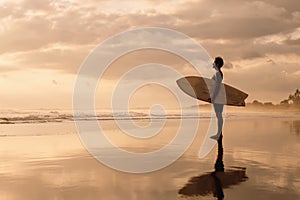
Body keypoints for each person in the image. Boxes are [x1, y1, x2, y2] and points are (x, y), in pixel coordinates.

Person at [209, 57, 224, 140]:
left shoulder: (218, 73)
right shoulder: (220, 73)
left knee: (219, 115)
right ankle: (219, 134)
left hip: (218, 98)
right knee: (219, 115)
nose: (213, 64)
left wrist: (213, 97)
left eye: (214, 62)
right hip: (219, 97)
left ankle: (219, 134)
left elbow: (217, 86)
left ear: (217, 64)